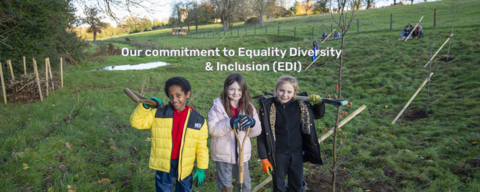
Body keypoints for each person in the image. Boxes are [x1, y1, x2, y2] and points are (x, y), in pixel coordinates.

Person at [130, 76, 209, 192]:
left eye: (178, 95)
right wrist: (145, 106)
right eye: (171, 96)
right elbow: (136, 122)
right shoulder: (159, 113)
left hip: (185, 166)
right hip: (163, 164)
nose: (174, 99)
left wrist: (202, 167)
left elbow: (201, 147)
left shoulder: (198, 120)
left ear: (187, 94)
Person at [257, 75, 325, 192]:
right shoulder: (267, 107)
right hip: (278, 154)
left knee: (297, 185)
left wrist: (318, 104)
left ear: (294, 93)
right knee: (278, 186)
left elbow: (317, 115)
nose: (285, 95)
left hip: (296, 152)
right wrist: (264, 158)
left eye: (289, 92)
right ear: (276, 90)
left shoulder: (301, 105)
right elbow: (262, 135)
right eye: (281, 91)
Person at [208, 73, 262, 192]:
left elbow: (256, 131)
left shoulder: (249, 107)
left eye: (239, 89)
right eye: (232, 89)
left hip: (242, 154)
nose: (235, 93)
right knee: (225, 186)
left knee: (245, 185)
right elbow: (213, 130)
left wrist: (252, 123)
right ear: (226, 89)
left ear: (244, 90)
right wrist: (230, 123)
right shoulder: (217, 107)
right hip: (223, 155)